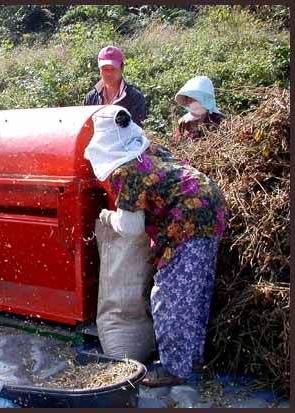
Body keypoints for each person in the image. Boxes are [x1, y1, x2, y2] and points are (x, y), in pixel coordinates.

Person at [84, 105, 227, 387]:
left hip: (188, 220)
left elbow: (131, 227)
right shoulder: (144, 148)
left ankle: (174, 370)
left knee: (169, 299)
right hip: (211, 206)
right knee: (194, 292)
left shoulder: (125, 171)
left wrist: (107, 216)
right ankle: (190, 359)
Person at [84, 45, 146, 127]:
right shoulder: (91, 98)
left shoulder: (135, 97)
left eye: (113, 69)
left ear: (122, 68)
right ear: (99, 70)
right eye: (105, 69)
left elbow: (135, 132)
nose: (109, 73)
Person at [173, 76, 225, 142]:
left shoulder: (218, 119)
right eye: (188, 98)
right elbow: (178, 143)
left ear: (205, 98)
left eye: (194, 97)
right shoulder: (184, 122)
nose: (190, 101)